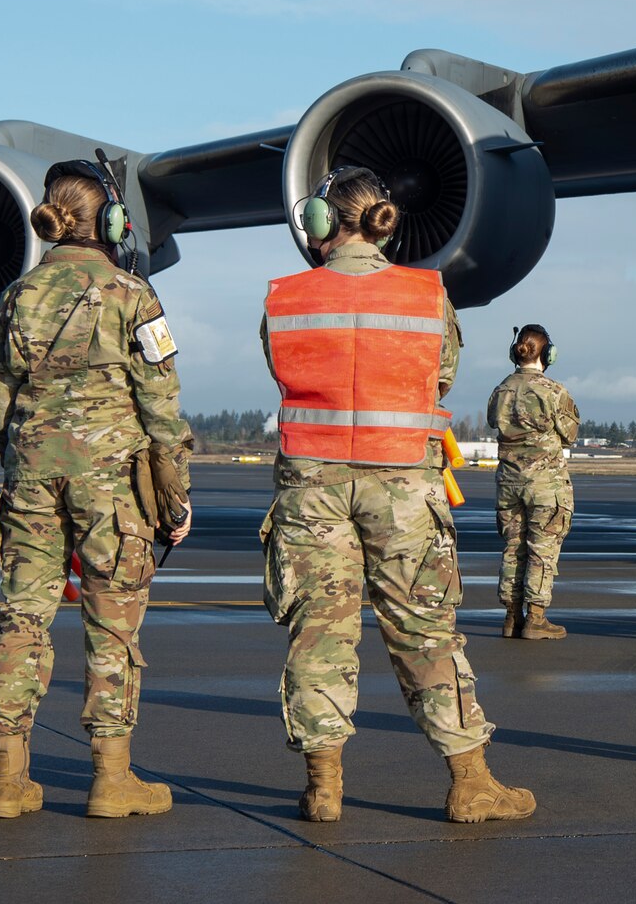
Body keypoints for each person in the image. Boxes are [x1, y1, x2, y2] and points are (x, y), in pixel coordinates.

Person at [259, 166, 533, 824]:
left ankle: (324, 787)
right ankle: (470, 781)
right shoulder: (426, 294)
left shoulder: (285, 296)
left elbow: (280, 368)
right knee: (424, 630)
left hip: (311, 489)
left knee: (319, 632)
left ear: (323, 223)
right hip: (402, 487)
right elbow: (439, 377)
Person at [0, 156, 194, 819]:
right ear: (110, 220)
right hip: (112, 483)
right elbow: (161, 405)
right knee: (112, 623)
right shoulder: (134, 294)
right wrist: (175, 495)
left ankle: (7, 779)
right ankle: (111, 777)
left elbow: (0, 395)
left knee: (22, 614)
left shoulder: (16, 297)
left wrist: (19, 461)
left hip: (32, 473)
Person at [488, 323, 579, 640]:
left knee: (513, 548)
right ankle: (536, 618)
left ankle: (511, 617)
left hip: (509, 482)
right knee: (541, 551)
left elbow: (492, 421)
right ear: (548, 354)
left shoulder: (501, 390)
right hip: (545, 484)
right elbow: (570, 433)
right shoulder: (554, 392)